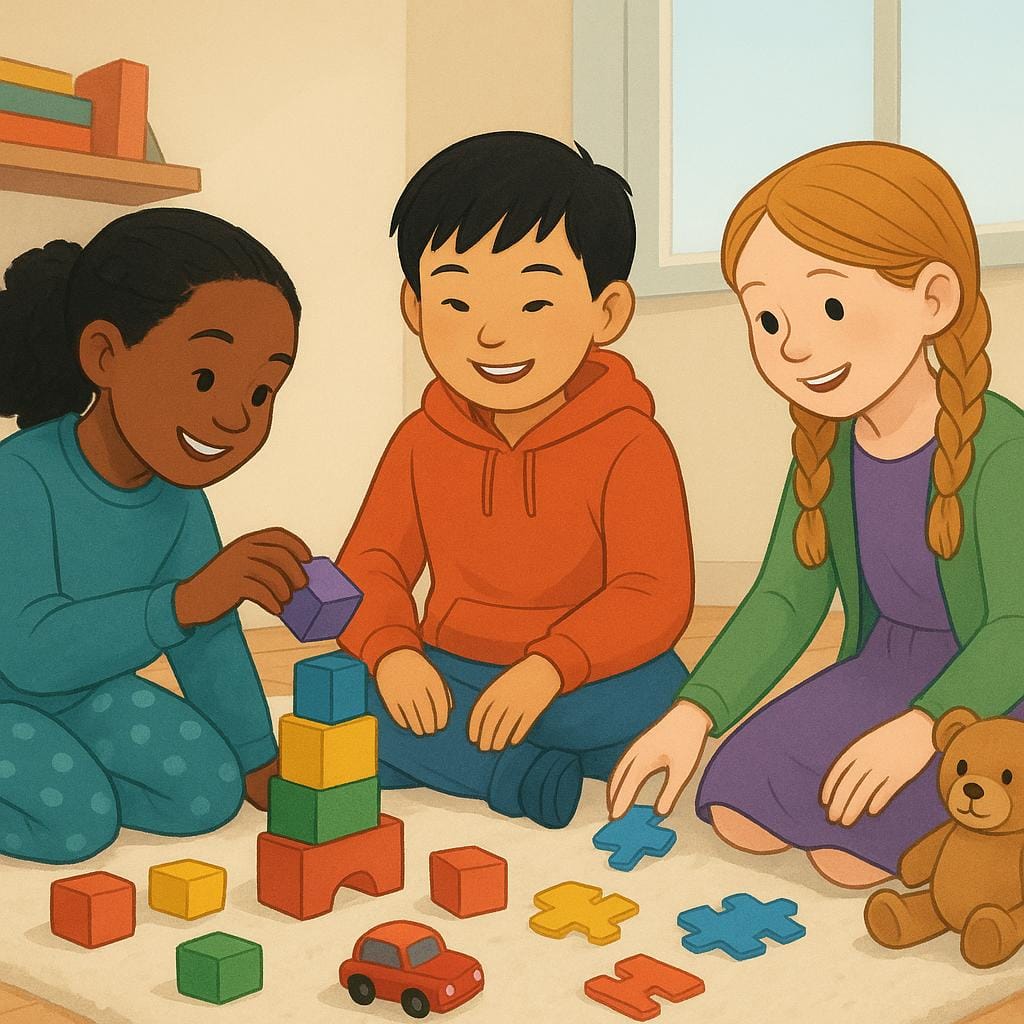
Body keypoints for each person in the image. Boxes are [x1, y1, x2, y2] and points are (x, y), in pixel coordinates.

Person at [608, 142, 1024, 887]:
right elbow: (784, 597)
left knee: (847, 855)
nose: (794, 346)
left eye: (830, 306)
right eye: (767, 319)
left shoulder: (1003, 449)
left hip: (993, 692)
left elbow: (1017, 627)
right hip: (879, 669)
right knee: (735, 802)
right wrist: (694, 713)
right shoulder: (826, 449)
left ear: (933, 298)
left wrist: (924, 728)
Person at [337, 131, 694, 829]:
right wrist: (393, 651)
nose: (490, 336)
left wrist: (553, 665)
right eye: (457, 304)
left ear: (607, 311)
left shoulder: (632, 442)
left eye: (534, 305)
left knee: (658, 693)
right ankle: (516, 769)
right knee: (342, 688)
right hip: (454, 668)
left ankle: (467, 758)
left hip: (585, 679)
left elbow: (653, 593)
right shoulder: (419, 441)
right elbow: (371, 564)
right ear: (415, 308)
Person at [0, 208, 311, 863]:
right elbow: (28, 651)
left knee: (208, 790)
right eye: (205, 377)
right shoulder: (20, 476)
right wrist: (183, 602)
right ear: (105, 354)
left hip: (88, 694)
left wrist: (257, 755)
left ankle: (68, 773)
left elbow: (208, 635)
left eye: (261, 392)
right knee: (76, 826)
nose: (232, 415)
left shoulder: (179, 498)